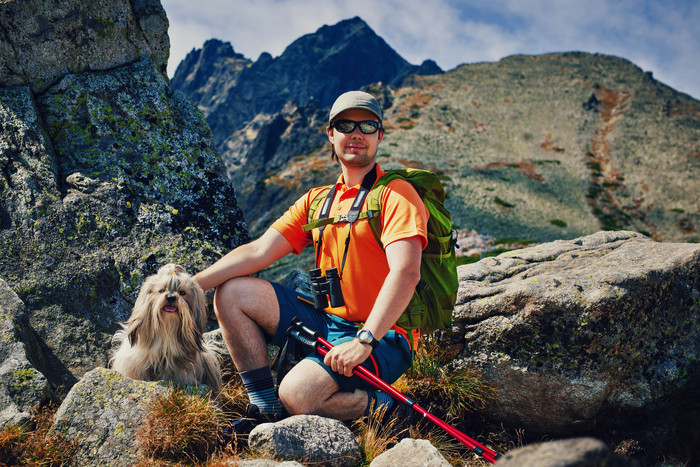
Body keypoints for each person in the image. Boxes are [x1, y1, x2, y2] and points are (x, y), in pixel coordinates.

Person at [195, 90, 428, 423]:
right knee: (231, 293)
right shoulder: (318, 201)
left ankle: (389, 409)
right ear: (331, 134)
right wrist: (187, 284)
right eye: (346, 125)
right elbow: (259, 251)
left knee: (298, 395)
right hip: (328, 321)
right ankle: (265, 406)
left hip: (384, 335)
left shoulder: (397, 194)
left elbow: (406, 272)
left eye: (367, 125)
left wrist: (364, 341)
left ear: (380, 135)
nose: (356, 133)